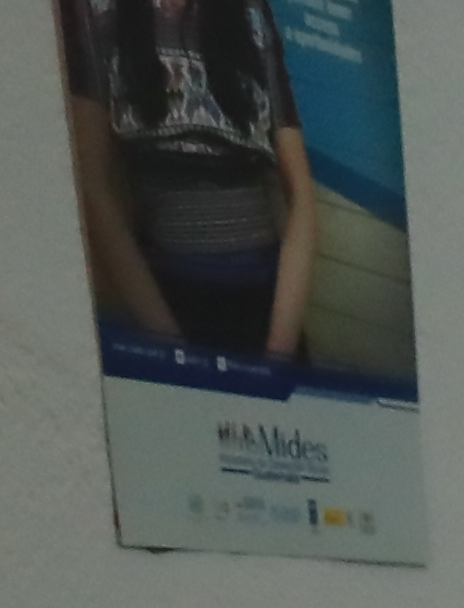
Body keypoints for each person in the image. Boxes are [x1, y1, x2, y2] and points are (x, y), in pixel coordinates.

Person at [58, 0, 319, 364]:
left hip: (266, 303)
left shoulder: (250, 12)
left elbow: (302, 198)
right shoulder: (97, 13)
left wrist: (277, 355)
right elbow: (94, 188)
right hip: (169, 299)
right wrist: (170, 345)